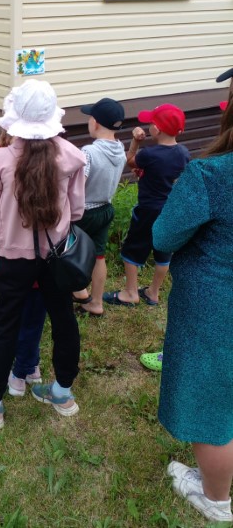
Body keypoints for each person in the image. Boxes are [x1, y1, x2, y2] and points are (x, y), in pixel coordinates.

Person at [0, 79, 86, 430]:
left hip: (13, 257)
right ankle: (63, 391)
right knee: (64, 320)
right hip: (58, 257)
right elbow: (79, 210)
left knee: (5, 325)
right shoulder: (73, 155)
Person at [152, 99, 233, 524]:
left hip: (215, 307)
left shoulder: (212, 175)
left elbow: (164, 233)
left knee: (210, 407)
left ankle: (215, 498)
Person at [0, 91, 45, 396]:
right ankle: (29, 365)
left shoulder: (0, 158)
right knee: (35, 314)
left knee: (8, 321)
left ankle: (15, 377)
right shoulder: (61, 156)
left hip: (13, 256)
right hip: (48, 256)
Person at [103, 103, 190, 307]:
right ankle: (153, 292)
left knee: (132, 249)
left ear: (157, 130)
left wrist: (135, 141)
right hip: (170, 209)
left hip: (148, 210)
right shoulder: (184, 153)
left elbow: (130, 160)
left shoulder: (149, 154)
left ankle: (130, 293)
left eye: (151, 122)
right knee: (163, 251)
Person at [72, 98, 127, 318]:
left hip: (84, 211)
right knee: (99, 256)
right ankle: (95, 302)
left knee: (70, 252)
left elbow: (78, 185)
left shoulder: (89, 152)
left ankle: (75, 289)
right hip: (105, 208)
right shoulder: (120, 150)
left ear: (94, 122)